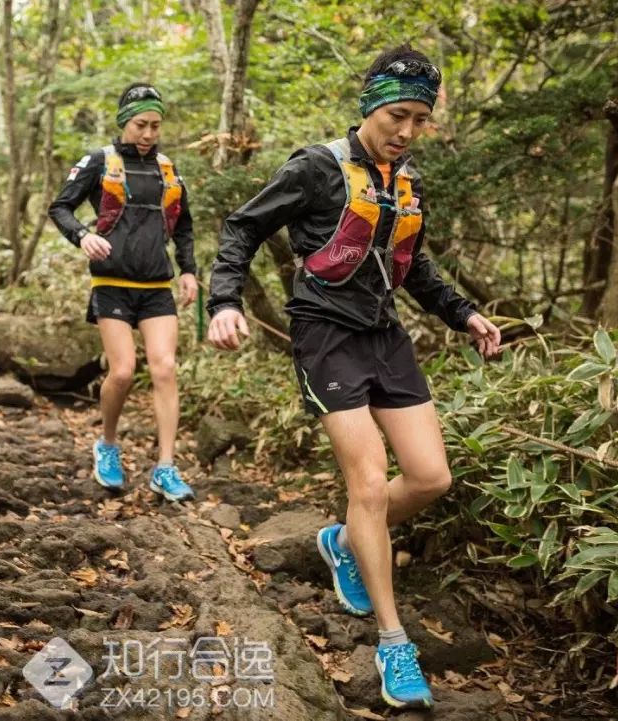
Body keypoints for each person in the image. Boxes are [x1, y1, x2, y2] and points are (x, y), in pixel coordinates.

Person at [206, 45, 501, 710]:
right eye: (398, 114)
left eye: (420, 120)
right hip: (325, 334)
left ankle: (343, 539)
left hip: (385, 336)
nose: (406, 130)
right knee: (367, 481)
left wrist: (466, 315)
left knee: (431, 476)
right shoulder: (317, 167)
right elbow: (242, 227)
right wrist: (225, 300)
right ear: (371, 103)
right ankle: (394, 642)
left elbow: (414, 268)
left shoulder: (406, 182)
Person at [48, 83, 199, 502]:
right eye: (140, 125)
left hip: (156, 285)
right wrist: (81, 236)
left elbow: (184, 225)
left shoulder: (168, 169)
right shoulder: (99, 161)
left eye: (155, 125)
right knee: (123, 371)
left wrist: (189, 271)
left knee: (165, 368)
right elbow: (60, 207)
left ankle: (165, 467)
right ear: (123, 123)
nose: (149, 134)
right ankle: (108, 445)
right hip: (111, 281)